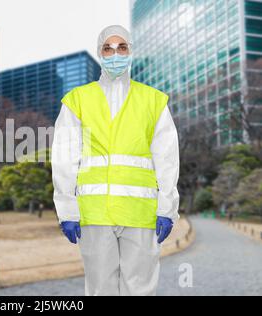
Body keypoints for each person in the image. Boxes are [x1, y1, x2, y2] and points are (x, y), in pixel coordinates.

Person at [51, 25, 180, 296]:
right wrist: (67, 210)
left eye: (122, 47)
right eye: (108, 48)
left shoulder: (153, 100)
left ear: (131, 51)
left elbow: (167, 159)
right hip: (94, 213)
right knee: (100, 289)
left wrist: (167, 208)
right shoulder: (77, 100)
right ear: (100, 53)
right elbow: (64, 159)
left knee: (141, 289)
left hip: (141, 212)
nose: (115, 54)